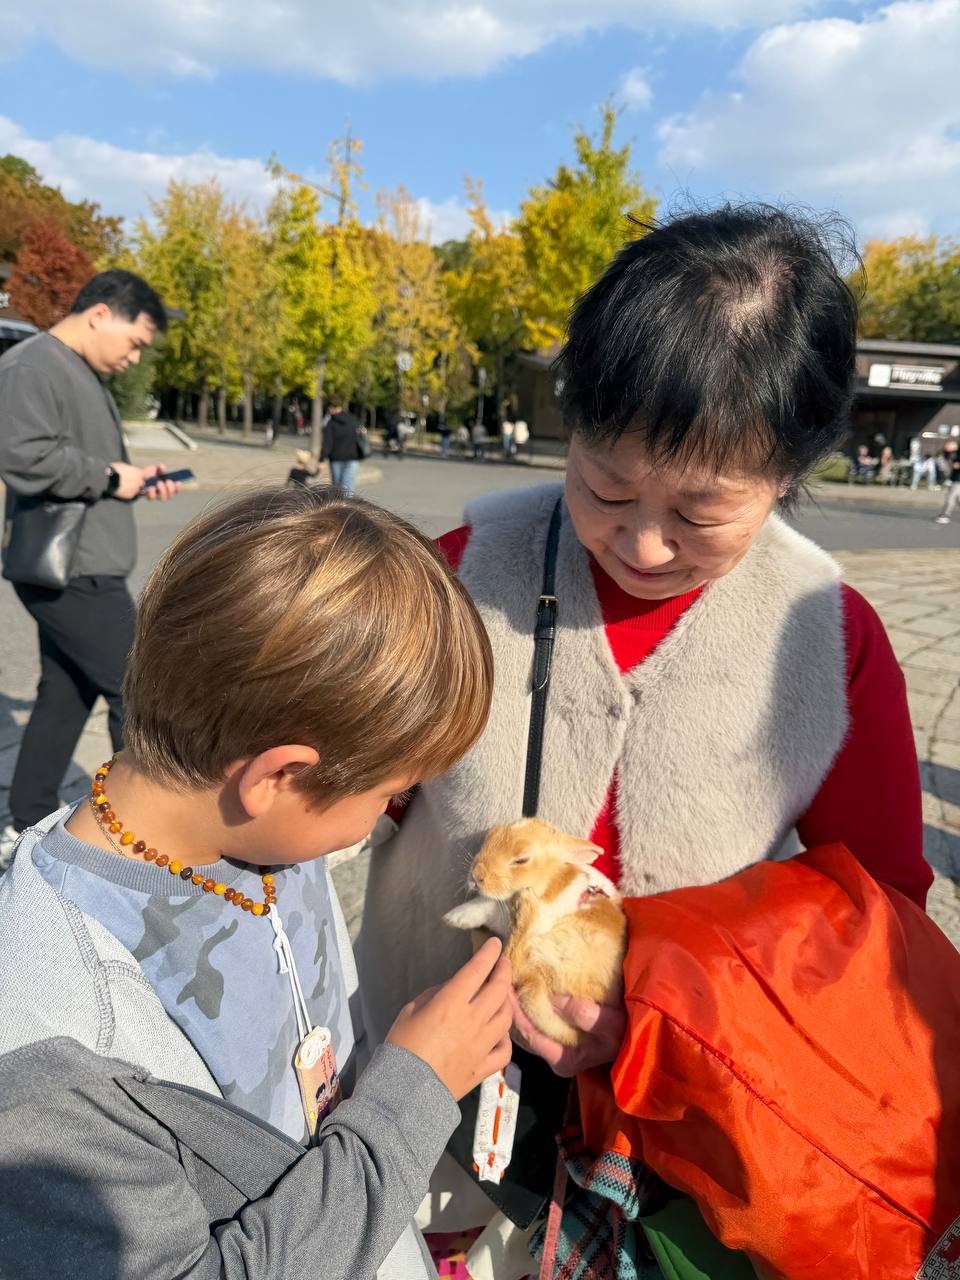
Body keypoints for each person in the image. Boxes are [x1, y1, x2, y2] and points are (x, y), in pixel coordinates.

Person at [357, 206, 931, 1279]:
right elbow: (346, 788)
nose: (646, 543)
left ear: (793, 468)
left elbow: (880, 910)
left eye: (702, 513)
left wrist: (667, 993)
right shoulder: (455, 573)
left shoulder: (829, 638)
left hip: (673, 1135)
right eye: (606, 488)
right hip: (425, 1091)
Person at [0, 485, 511, 1280]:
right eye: (390, 792)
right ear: (278, 777)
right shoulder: (52, 1052)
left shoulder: (262, 838)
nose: (387, 813)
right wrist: (414, 1094)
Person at [0, 270, 180, 868]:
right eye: (135, 341)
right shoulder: (32, 365)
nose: (135, 357)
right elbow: (19, 454)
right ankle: (140, 836)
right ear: (101, 313)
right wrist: (106, 476)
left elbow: (82, 465)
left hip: (83, 563)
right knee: (141, 689)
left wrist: (133, 481)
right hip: (70, 571)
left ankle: (26, 819)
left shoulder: (75, 370)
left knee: (65, 693)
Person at [321, 403, 365, 495]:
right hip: (353, 457)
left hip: (336, 458)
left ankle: (338, 504)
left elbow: (327, 443)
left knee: (337, 488)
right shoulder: (353, 420)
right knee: (348, 487)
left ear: (332, 409)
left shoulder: (331, 423)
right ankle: (347, 503)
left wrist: (321, 459)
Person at [934, 442, 960, 523]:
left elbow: (955, 465)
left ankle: (945, 516)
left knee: (950, 497)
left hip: (958, 480)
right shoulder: (955, 452)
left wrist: (955, 465)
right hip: (954, 478)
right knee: (958, 499)